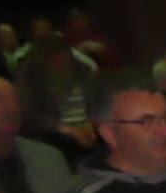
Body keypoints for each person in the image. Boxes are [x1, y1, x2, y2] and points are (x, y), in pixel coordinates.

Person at [13, 33, 100, 166]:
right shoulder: (30, 79)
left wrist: (90, 123)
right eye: (56, 61)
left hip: (87, 131)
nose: (63, 65)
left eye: (66, 60)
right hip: (53, 135)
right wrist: (67, 129)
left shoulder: (82, 72)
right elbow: (29, 117)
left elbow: (97, 103)